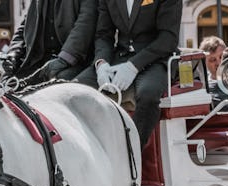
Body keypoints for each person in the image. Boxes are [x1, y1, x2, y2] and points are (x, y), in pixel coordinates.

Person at [75, 0, 182, 146]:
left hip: (157, 58)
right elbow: (103, 35)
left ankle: (133, 153)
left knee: (148, 95)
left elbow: (168, 39)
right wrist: (101, 64)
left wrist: (133, 66)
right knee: (75, 88)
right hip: (120, 57)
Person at [3, 0, 97, 84]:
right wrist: (13, 54)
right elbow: (26, 26)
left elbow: (85, 24)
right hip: (38, 63)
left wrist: (64, 60)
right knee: (3, 87)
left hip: (74, 63)